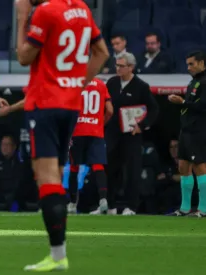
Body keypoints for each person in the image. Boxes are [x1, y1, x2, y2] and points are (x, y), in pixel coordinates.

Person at [14, 0, 109, 271]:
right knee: (55, 172)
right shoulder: (82, 8)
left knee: (47, 177)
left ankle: (57, 256)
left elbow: (24, 56)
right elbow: (101, 53)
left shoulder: (46, 11)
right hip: (70, 105)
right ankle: (58, 255)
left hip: (44, 103)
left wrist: (22, 18)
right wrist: (78, 83)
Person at [105, 52, 159, 216]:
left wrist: (142, 126)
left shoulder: (141, 86)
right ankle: (111, 205)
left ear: (131, 67)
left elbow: (154, 109)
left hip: (132, 135)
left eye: (121, 66)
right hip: (113, 133)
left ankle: (131, 206)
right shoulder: (112, 83)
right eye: (117, 65)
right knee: (111, 170)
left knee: (132, 171)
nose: (118, 68)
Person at [168, 51, 206, 217]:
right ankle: (184, 208)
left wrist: (182, 102)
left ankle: (204, 209)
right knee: (183, 166)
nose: (188, 67)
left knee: (200, 167)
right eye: (188, 64)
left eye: (192, 64)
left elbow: (203, 107)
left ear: (202, 63)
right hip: (187, 130)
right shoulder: (194, 82)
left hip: (199, 130)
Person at [67, 78, 113, 215]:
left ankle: (73, 203)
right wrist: (99, 124)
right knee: (98, 166)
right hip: (95, 131)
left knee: (74, 167)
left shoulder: (75, 83)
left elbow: (68, 109)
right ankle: (103, 200)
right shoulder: (101, 84)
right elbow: (110, 110)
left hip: (78, 131)